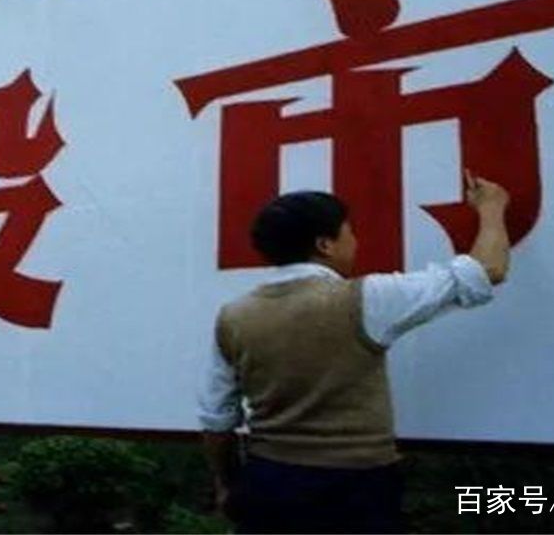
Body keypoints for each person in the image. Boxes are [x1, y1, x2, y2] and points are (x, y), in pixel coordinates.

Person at [198, 170, 511, 534]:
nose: (356, 242)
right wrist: (492, 208)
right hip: (355, 486)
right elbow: (488, 270)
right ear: (325, 245)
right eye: (349, 232)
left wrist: (227, 483)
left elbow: (216, 420)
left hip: (269, 482)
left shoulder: (234, 316)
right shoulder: (365, 299)